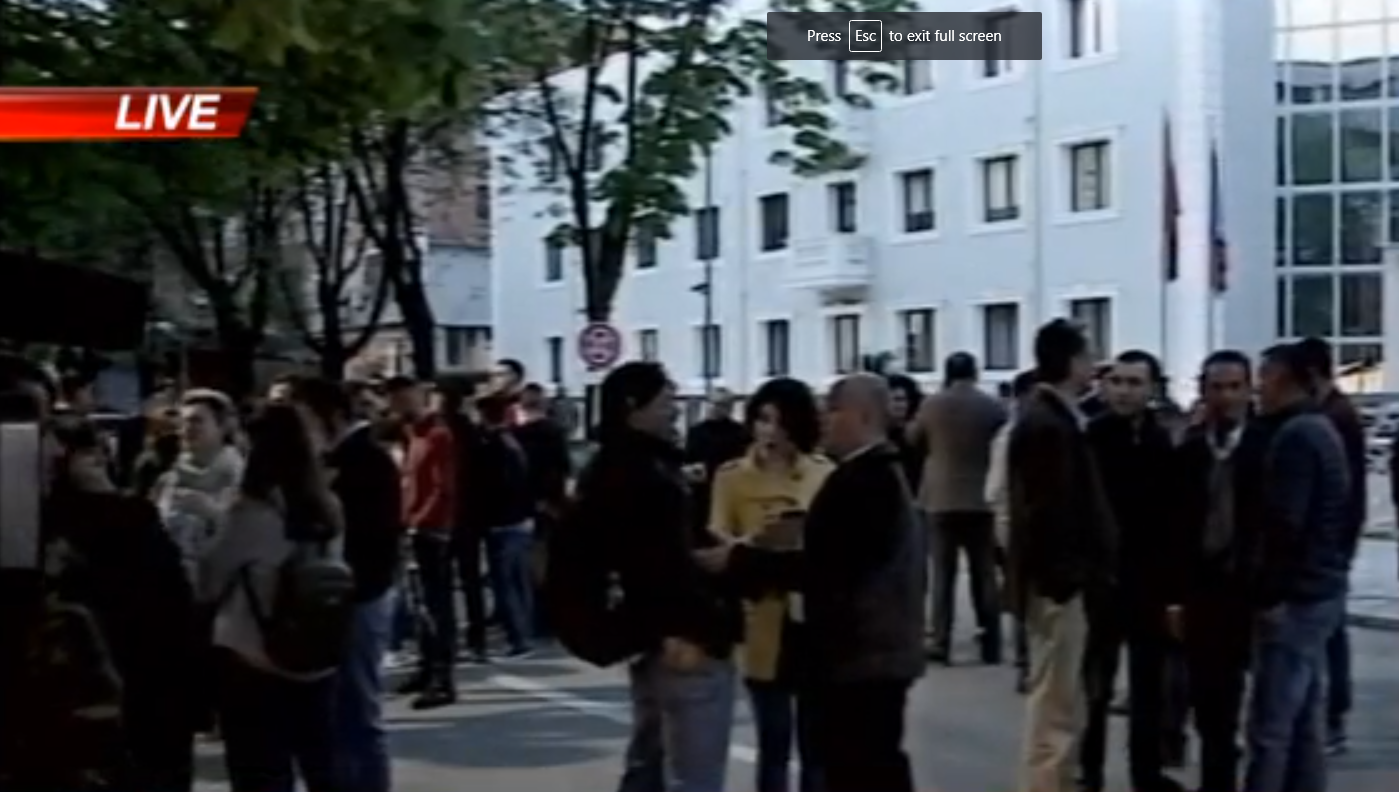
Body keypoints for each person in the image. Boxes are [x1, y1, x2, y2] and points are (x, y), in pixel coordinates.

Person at [697, 373, 924, 792]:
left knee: (860, 766)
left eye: (833, 411)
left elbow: (829, 567)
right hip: (856, 653)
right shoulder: (870, 473)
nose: (824, 421)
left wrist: (743, 559)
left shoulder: (862, 479)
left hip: (862, 655)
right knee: (856, 760)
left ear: (862, 415)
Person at [578, 362, 739, 792]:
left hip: (646, 634)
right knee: (694, 773)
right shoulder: (644, 474)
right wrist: (714, 624)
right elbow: (659, 566)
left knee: (649, 761)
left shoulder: (613, 467)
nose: (674, 412)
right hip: (680, 638)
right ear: (634, 407)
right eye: (666, 402)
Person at [45, 416, 200, 792]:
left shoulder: (49, 520)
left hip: (108, 669)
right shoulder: (127, 515)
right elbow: (175, 597)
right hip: (144, 664)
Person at [200, 404, 344, 792]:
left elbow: (211, 580)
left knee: (260, 770)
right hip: (318, 653)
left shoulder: (249, 511)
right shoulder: (326, 507)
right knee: (322, 764)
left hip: (253, 656)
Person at [708, 378, 834, 792]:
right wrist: (754, 543)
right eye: (763, 420)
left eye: (780, 422)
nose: (770, 431)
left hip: (814, 615)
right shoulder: (733, 477)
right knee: (774, 739)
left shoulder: (823, 472)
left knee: (817, 746)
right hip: (761, 612)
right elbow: (718, 537)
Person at [1006, 319, 1113, 792]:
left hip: (1059, 579)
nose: (1093, 367)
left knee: (1063, 701)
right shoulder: (1048, 423)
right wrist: (1065, 578)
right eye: (1088, 357)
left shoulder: (1053, 417)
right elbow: (1049, 509)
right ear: (1071, 362)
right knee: (1054, 706)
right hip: (1057, 583)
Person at [1243, 343, 1352, 792]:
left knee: (1270, 725)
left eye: (1263, 379)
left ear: (1283, 380)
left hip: (1298, 594)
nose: (1257, 389)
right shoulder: (1320, 429)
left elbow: (1287, 524)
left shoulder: (1296, 437)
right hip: (1322, 586)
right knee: (1302, 714)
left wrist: (1270, 594)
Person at [1079, 350, 1181, 792]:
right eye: (1116, 381)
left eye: (1134, 382)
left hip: (1149, 583)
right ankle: (1090, 770)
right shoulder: (1092, 438)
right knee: (1095, 685)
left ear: (1152, 389)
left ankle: (1146, 772)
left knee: (1148, 688)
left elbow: (1177, 519)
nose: (1123, 390)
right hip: (1100, 581)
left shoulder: (1163, 442)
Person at [293, 378, 402, 792]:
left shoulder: (365, 459)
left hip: (358, 596)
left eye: (304, 417)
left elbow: (376, 536)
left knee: (358, 712)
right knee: (338, 714)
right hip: (342, 596)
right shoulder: (336, 458)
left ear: (331, 415)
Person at [1172, 350, 1268, 792]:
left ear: (1250, 390)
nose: (1226, 397)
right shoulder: (1189, 452)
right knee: (1213, 709)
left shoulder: (1268, 447)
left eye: (1235, 387)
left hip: (1256, 592)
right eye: (1217, 387)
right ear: (1203, 391)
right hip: (1204, 594)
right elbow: (1170, 530)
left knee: (1269, 712)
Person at [1294, 337, 1368, 755]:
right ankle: (1330, 715)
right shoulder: (1335, 413)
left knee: (1331, 631)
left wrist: (1339, 543)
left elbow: (1345, 488)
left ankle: (1333, 717)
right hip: (1336, 538)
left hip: (1331, 541)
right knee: (1330, 631)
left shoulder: (1334, 417)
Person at [910, 351, 1008, 664]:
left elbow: (914, 439)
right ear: (975, 372)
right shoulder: (992, 407)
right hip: (980, 500)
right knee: (984, 574)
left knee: (943, 575)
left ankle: (941, 641)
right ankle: (991, 640)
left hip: (940, 499)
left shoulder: (932, 405)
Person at [386, 376, 459, 708]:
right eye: (395, 400)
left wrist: (421, 522)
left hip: (430, 531)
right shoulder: (411, 436)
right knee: (420, 606)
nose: (400, 407)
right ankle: (427, 667)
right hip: (413, 527)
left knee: (435, 606)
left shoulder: (438, 435)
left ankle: (443, 677)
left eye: (405, 398)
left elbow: (443, 487)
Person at [153, 389, 244, 588]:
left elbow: (249, 538)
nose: (187, 428)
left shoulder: (239, 477)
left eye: (197, 421)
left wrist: (212, 513)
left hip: (221, 586)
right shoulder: (169, 479)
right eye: (183, 422)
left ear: (221, 427)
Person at [986, 369, 1039, 693]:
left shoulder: (1023, 431)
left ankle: (1028, 663)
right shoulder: (1011, 436)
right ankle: (1025, 663)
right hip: (1017, 529)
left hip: (1022, 528)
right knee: (1024, 598)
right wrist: (1004, 528)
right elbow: (995, 490)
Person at [474, 392, 538, 658]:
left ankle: (518, 637)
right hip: (519, 520)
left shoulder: (495, 446)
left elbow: (495, 486)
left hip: (502, 521)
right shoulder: (513, 443)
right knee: (518, 581)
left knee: (505, 583)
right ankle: (524, 634)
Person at [512, 382, 573, 636]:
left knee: (526, 569)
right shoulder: (555, 433)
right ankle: (548, 619)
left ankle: (532, 620)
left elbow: (516, 473)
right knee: (548, 567)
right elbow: (564, 468)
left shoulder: (517, 436)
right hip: (550, 506)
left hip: (523, 507)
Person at [683, 388, 752, 530]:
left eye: (720, 404)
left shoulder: (740, 433)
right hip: (702, 493)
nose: (714, 408)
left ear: (729, 408)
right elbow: (689, 459)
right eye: (711, 403)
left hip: (730, 490)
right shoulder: (696, 431)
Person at [885, 374, 924, 491]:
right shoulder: (879, 435)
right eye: (895, 400)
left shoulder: (917, 434)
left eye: (902, 400)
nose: (900, 406)